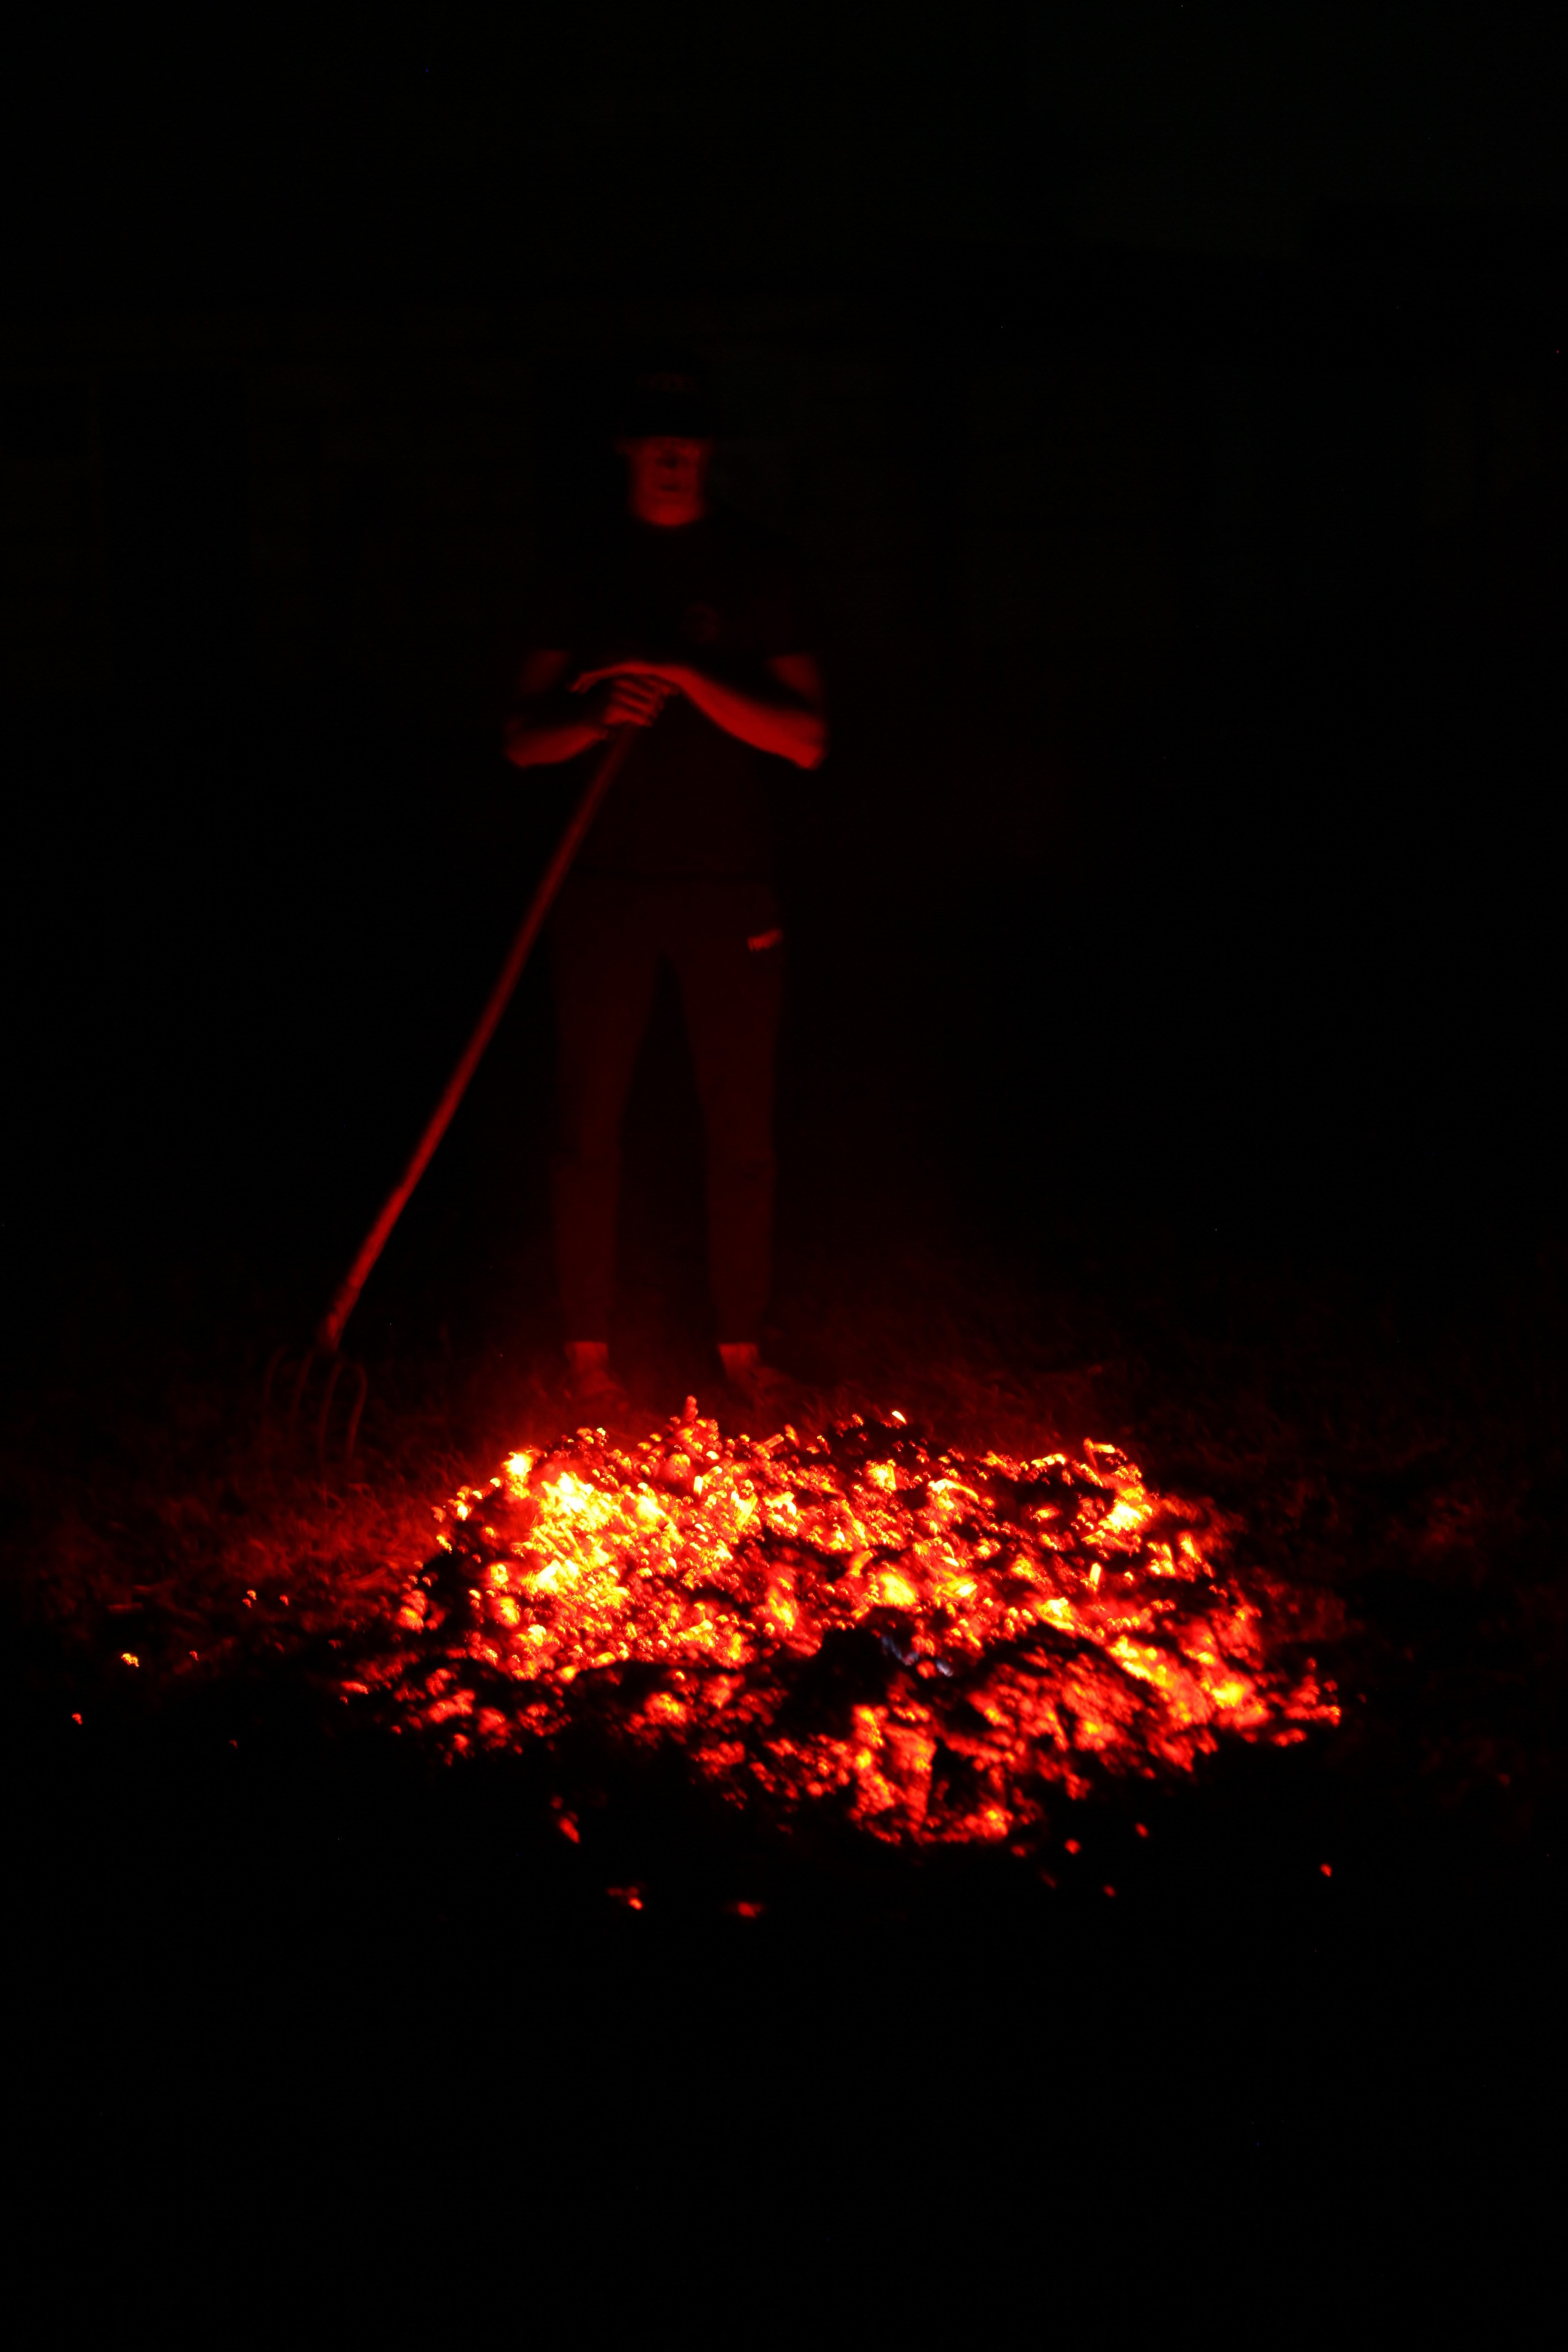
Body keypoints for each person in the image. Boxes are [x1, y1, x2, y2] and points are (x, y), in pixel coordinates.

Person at [503, 364, 827, 1414]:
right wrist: (597, 716)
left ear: (712, 452)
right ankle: (586, 1361)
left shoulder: (756, 566)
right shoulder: (583, 566)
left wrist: (685, 675)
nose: (677, 455)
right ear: (628, 451)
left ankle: (743, 1353)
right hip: (603, 886)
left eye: (691, 439)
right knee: (587, 1123)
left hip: (729, 884)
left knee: (741, 1128)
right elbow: (520, 741)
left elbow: (806, 739)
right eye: (657, 439)